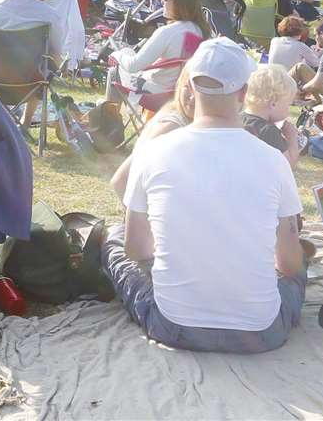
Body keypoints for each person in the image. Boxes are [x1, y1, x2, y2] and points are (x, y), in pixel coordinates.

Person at [105, 38, 305, 353]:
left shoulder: (154, 152)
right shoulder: (274, 160)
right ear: (242, 93)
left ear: (191, 87)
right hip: (262, 331)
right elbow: (290, 265)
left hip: (173, 325)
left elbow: (136, 250)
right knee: (296, 279)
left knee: (115, 238)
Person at [109, 0, 210, 101]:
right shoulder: (201, 31)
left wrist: (116, 54)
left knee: (114, 71)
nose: (162, 1)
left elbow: (133, 66)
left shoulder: (167, 32)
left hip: (157, 94)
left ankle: (109, 114)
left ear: (180, 3)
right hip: (183, 93)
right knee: (128, 53)